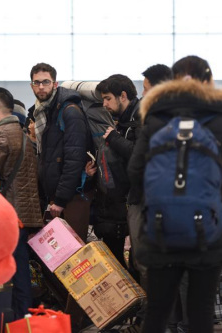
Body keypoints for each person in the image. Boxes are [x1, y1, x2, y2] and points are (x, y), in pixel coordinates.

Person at [127, 55, 222, 333]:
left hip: (161, 228)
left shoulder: (156, 118)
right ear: (209, 81)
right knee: (200, 311)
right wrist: (220, 199)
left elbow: (135, 170)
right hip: (209, 230)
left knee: (158, 308)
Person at [0, 87, 43, 319]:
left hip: (6, 215)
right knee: (20, 269)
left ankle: (16, 320)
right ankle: (23, 319)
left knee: (11, 273)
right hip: (23, 214)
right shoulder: (22, 134)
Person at [29, 62, 92, 241]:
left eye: (46, 82)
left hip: (74, 195)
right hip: (57, 195)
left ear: (55, 84)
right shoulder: (43, 112)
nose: (41, 87)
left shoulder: (69, 111)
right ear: (31, 85)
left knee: (74, 254)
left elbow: (74, 158)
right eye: (37, 82)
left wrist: (60, 199)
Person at [84, 74, 140, 267]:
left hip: (135, 201)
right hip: (118, 204)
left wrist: (114, 139)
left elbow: (141, 155)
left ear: (122, 96)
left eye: (108, 98)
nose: (105, 104)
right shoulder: (122, 121)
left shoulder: (140, 118)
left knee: (137, 262)